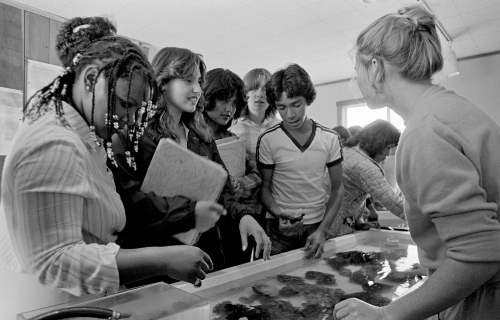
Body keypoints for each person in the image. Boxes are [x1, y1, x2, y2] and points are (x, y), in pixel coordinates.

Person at [0, 17, 213, 306]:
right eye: (125, 104)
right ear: (90, 80)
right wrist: (162, 259)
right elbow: (54, 260)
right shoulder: (53, 142)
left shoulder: (85, 134)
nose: (127, 121)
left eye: (136, 109)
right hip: (53, 304)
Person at [333, 5, 500, 320]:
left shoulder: (425, 133)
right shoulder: (451, 110)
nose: (356, 78)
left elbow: (481, 253)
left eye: (358, 67)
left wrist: (388, 315)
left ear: (376, 67)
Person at [112, 48, 270, 273]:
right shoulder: (138, 135)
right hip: (157, 258)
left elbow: (222, 192)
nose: (197, 89)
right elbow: (132, 201)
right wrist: (190, 213)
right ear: (163, 82)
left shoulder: (202, 135)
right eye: (188, 80)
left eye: (198, 81)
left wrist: (243, 216)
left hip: (203, 253)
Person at [257, 63, 345, 258]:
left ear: (308, 99)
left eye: (296, 104)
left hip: (316, 225)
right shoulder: (268, 140)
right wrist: (278, 213)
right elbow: (264, 188)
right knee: (274, 284)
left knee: (316, 284)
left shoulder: (329, 138)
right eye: (282, 108)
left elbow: (338, 188)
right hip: (278, 229)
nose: (290, 114)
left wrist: (323, 229)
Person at [202, 68, 266, 264]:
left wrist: (238, 184)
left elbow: (256, 175)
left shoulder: (232, 139)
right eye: (223, 100)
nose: (229, 109)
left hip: (233, 221)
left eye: (233, 103)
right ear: (208, 97)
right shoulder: (192, 137)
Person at [328, 120, 405, 238]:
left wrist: (359, 223)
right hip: (331, 230)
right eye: (388, 147)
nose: (388, 153)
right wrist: (431, 220)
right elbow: (394, 203)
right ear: (378, 143)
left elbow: (352, 195)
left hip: (328, 223)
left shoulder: (350, 151)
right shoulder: (365, 167)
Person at [229, 68, 280, 164]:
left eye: (265, 89)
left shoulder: (281, 127)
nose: (260, 94)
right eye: (254, 89)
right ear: (244, 93)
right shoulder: (232, 127)